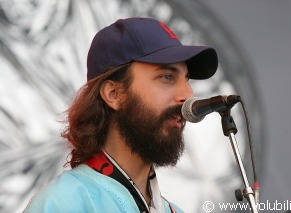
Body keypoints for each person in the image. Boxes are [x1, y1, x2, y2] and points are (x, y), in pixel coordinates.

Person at [24, 17, 218, 213]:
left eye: (187, 80)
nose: (188, 95)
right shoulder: (63, 204)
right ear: (114, 94)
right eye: (167, 77)